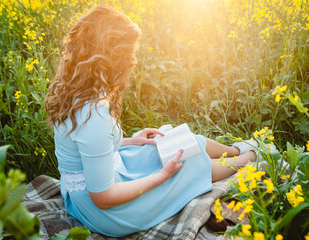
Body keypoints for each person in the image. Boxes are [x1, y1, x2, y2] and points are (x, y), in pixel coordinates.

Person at [45, 4, 257, 237]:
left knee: (175, 140)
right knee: (184, 163)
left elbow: (85, 150)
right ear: (114, 59)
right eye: (130, 55)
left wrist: (131, 141)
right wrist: (162, 176)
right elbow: (104, 198)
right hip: (107, 212)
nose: (134, 62)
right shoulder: (93, 116)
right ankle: (250, 158)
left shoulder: (75, 91)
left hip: (90, 186)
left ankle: (237, 150)